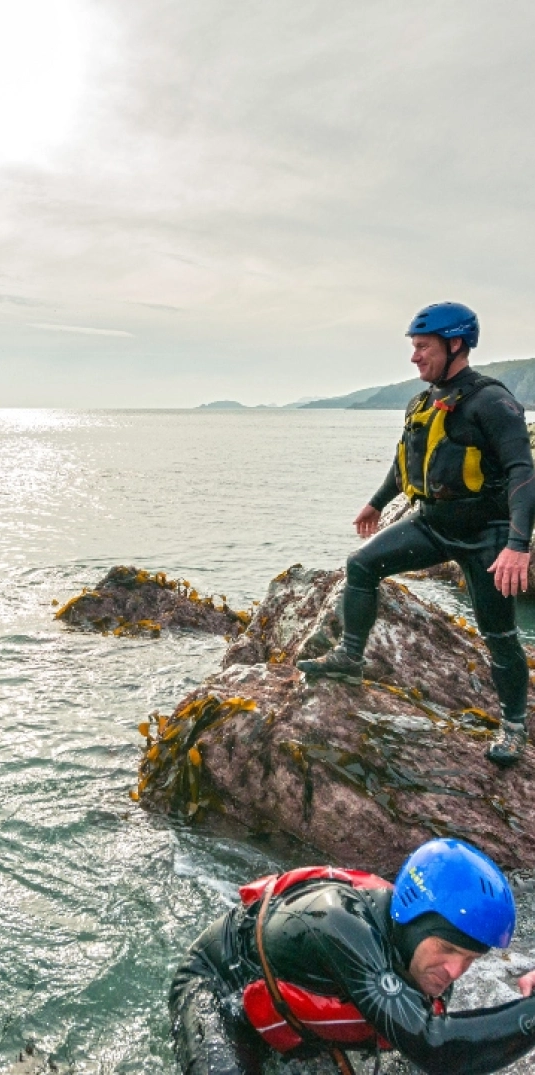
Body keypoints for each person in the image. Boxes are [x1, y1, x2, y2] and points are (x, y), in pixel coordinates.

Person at [296, 302, 535, 767]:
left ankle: (514, 726)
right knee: (361, 564)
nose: (414, 357)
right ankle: (350, 657)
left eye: (422, 347)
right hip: (430, 523)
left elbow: (523, 470)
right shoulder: (422, 402)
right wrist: (377, 502)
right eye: (414, 347)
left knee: (500, 635)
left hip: (486, 534)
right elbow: (405, 456)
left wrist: (517, 546)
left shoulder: (493, 402)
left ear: (456, 345)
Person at [170, 838, 535, 1075]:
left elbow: (436, 1052)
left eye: (470, 959)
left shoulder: (426, 966)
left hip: (301, 1025)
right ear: (413, 921)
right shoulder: (336, 921)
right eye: (448, 948)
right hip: (218, 988)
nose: (455, 970)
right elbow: (434, 1048)